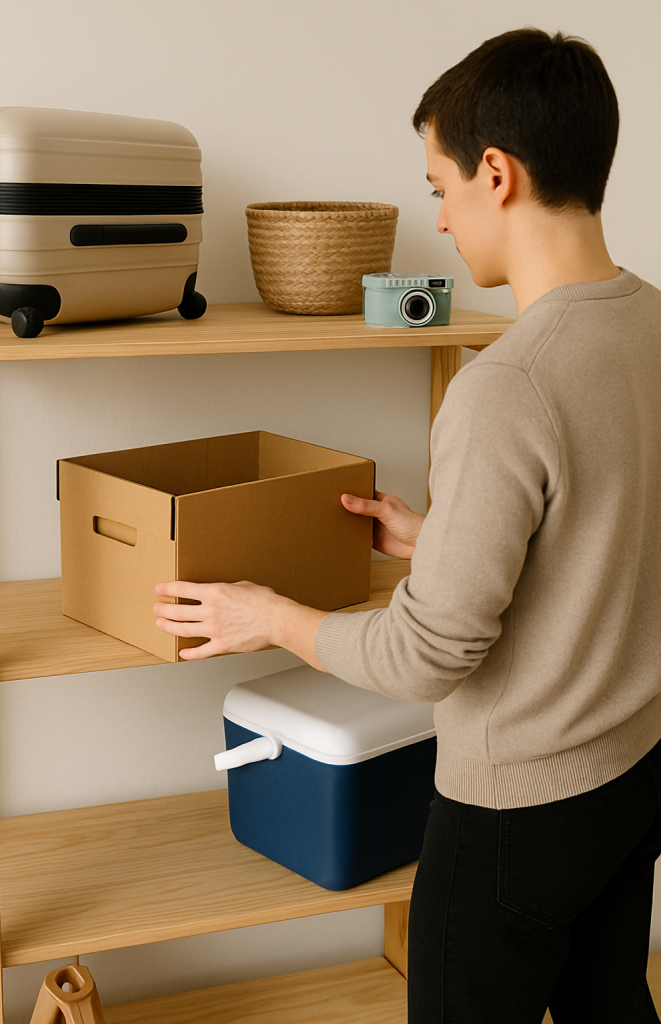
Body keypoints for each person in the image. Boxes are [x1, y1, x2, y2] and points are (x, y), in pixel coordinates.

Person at [153, 28, 661, 1023]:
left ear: (495, 173)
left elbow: (428, 653)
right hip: (631, 772)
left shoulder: (505, 385)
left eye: (437, 186)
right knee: (608, 1001)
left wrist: (269, 617)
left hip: (515, 811)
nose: (438, 214)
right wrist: (443, 539)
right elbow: (612, 535)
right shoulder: (647, 324)